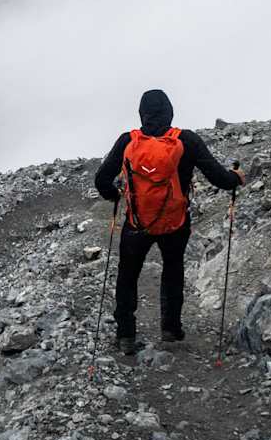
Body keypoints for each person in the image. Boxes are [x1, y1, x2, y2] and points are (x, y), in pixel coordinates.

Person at [94, 89, 244, 354]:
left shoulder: (128, 140)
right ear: (170, 112)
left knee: (128, 276)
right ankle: (171, 329)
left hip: (136, 223)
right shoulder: (186, 140)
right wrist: (236, 177)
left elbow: (101, 180)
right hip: (175, 223)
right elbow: (219, 178)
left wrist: (115, 195)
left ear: (142, 114)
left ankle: (125, 335)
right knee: (172, 270)